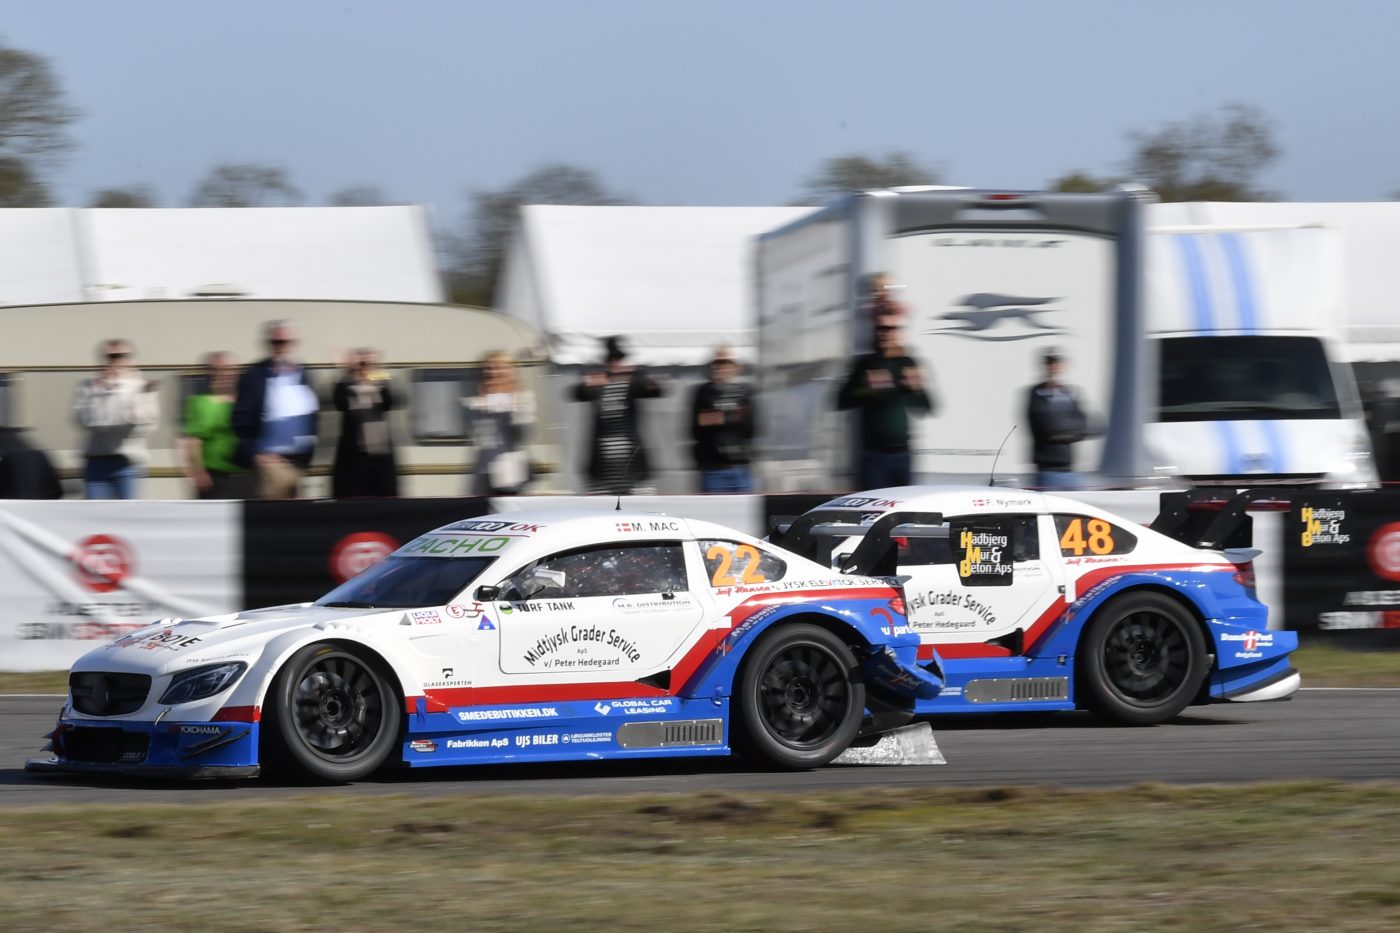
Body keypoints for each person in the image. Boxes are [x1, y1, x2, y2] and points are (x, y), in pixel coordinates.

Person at [836, 323, 933, 488]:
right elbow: (842, 401)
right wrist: (867, 389)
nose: (885, 334)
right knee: (873, 508)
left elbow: (925, 407)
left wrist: (917, 388)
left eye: (890, 330)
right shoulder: (866, 363)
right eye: (880, 330)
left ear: (898, 333)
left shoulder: (907, 363)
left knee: (903, 509)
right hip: (874, 456)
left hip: (902, 455)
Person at [231, 320, 319, 500]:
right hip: (269, 464)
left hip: (297, 462)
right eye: (275, 342)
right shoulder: (254, 374)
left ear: (293, 343)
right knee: (274, 520)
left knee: (296, 521)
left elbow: (313, 416)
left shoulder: (303, 373)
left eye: (284, 342)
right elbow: (240, 418)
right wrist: (255, 452)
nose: (280, 347)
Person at [571, 335, 664, 494]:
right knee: (602, 505)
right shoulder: (599, 383)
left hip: (632, 460)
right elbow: (576, 393)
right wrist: (592, 381)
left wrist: (634, 376)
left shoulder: (633, 381)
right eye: (612, 360)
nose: (615, 364)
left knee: (638, 506)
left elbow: (656, 390)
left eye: (618, 359)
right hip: (602, 462)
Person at [72, 338, 159, 499]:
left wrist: (115, 394)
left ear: (131, 360)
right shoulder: (88, 386)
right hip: (96, 460)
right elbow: (84, 421)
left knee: (128, 518)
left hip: (128, 462)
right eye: (110, 357)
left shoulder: (142, 386)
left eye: (120, 356)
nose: (115, 361)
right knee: (96, 518)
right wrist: (102, 392)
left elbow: (145, 425)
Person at [463, 350, 536, 496]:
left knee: (508, 508)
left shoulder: (523, 397)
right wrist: (488, 399)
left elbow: (523, 431)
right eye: (489, 368)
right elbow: (472, 424)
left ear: (510, 370)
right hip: (484, 466)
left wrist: (513, 403)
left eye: (499, 367)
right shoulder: (474, 399)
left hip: (510, 468)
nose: (493, 372)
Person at [180, 351, 251, 499]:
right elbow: (193, 441)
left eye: (226, 369)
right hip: (214, 478)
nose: (219, 374)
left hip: (247, 477)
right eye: (213, 369)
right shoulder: (198, 402)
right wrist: (197, 471)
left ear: (236, 372)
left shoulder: (247, 401)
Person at [331, 348, 399, 498]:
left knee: (383, 493)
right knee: (352, 494)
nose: (364, 367)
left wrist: (374, 379)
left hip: (380, 453)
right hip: (353, 454)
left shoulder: (382, 383)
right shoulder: (345, 385)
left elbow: (391, 401)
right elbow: (339, 402)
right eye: (361, 363)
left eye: (368, 363)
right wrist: (350, 375)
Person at [690, 344, 756, 493]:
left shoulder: (745, 391)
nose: (721, 368)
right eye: (718, 363)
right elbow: (698, 425)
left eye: (726, 363)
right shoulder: (704, 392)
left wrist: (719, 418)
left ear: (736, 367)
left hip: (740, 466)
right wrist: (732, 416)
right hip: (713, 468)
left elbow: (750, 427)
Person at [1026, 348, 1089, 489]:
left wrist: (1061, 431)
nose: (1053, 367)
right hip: (1047, 470)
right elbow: (1045, 428)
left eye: (1056, 363)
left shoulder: (1069, 393)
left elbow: (1083, 427)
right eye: (1050, 363)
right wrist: (1069, 431)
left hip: (1070, 471)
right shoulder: (1036, 393)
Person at [0, 426, 62, 499]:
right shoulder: (37, 454)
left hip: (10, 505)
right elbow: (55, 490)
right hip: (39, 505)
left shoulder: (4, 455)